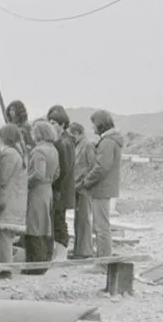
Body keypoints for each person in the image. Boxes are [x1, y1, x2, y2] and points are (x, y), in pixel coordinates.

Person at [76, 109, 124, 258]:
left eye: (94, 125)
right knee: (101, 225)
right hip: (104, 188)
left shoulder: (108, 142)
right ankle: (103, 259)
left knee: (101, 226)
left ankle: (103, 262)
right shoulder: (110, 141)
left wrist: (85, 182)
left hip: (101, 189)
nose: (93, 128)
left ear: (100, 125)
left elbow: (101, 168)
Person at [23, 120, 60, 274]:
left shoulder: (38, 151)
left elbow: (38, 173)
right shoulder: (53, 149)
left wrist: (24, 183)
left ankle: (35, 265)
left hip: (37, 191)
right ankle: (44, 261)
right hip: (47, 189)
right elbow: (57, 172)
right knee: (45, 226)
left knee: (34, 226)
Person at [0, 123, 27, 270]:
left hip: (8, 200)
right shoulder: (19, 153)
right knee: (6, 236)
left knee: (3, 236)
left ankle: (4, 268)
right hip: (16, 200)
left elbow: (2, 178)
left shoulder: (9, 154)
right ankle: (4, 266)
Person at [47, 106, 78, 259]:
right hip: (63, 189)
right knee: (59, 220)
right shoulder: (67, 141)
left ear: (62, 125)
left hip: (60, 190)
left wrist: (56, 189)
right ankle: (60, 253)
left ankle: (61, 254)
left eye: (53, 123)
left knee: (59, 221)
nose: (50, 126)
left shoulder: (63, 143)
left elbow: (63, 169)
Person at [67, 122, 95, 259]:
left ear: (77, 133)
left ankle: (85, 251)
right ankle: (79, 249)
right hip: (77, 187)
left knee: (84, 220)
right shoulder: (78, 146)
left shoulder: (88, 145)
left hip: (84, 188)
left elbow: (92, 166)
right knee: (78, 220)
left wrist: (84, 182)